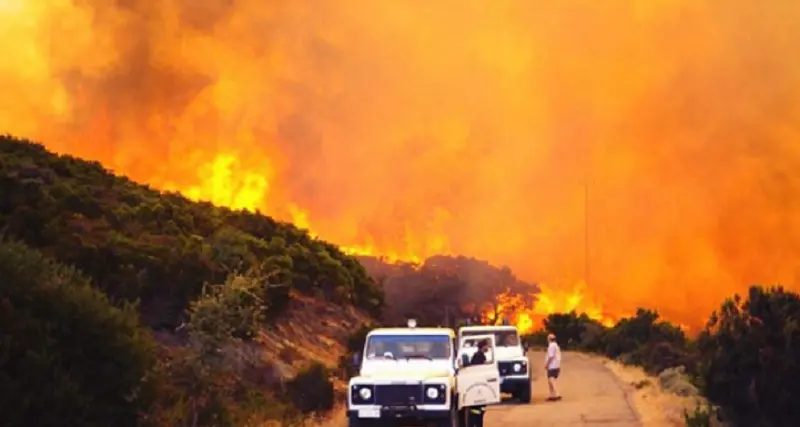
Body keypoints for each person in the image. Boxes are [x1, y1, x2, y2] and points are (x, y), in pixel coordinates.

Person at [467, 340, 490, 427]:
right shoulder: (478, 356)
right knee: (476, 409)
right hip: (477, 387)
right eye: (486, 346)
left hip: (479, 386)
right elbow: (477, 370)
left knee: (480, 409)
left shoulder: (480, 355)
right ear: (483, 346)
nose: (487, 348)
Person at [544, 333, 562, 401]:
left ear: (549, 339)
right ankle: (551, 395)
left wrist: (547, 364)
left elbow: (550, 357)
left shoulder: (551, 346)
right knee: (550, 380)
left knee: (551, 379)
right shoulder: (556, 346)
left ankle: (557, 394)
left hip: (552, 366)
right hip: (556, 365)